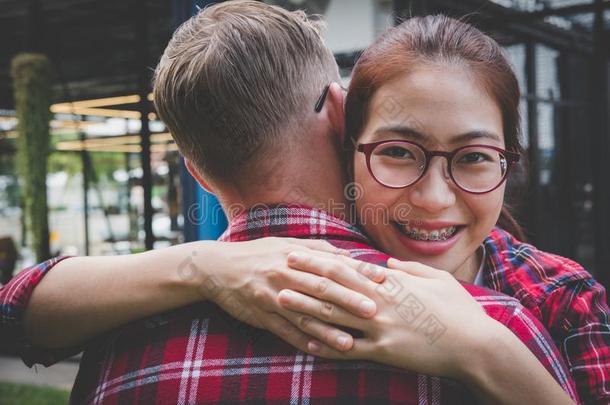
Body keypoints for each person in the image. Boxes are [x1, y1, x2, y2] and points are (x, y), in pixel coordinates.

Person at [0, 2, 581, 403]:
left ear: (197, 172)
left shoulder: (114, 343)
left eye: (473, 158)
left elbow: (17, 315)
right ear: (340, 111)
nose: (432, 198)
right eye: (403, 151)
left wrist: (194, 265)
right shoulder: (497, 330)